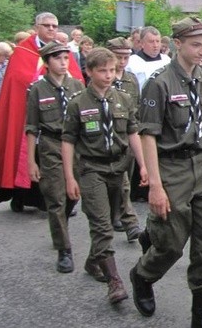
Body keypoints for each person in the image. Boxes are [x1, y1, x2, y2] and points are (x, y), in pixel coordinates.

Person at [128, 17, 202, 328]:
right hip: (172, 168)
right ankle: (143, 275)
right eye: (196, 44)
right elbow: (148, 135)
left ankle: (201, 315)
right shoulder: (160, 82)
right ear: (178, 43)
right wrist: (154, 185)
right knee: (170, 244)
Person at [62, 47, 148, 305]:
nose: (109, 75)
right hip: (91, 169)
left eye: (112, 70)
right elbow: (67, 141)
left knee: (110, 220)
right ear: (89, 72)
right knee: (100, 224)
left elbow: (133, 133)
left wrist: (143, 166)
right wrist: (70, 177)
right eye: (102, 70)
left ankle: (93, 260)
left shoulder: (122, 99)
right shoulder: (78, 102)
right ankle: (114, 282)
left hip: (119, 167)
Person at [0, 12, 83, 212]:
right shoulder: (23, 51)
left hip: (57, 116)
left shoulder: (64, 51)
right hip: (29, 113)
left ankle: (56, 200)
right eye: (46, 25)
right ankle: (19, 196)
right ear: (37, 27)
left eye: (54, 26)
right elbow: (17, 80)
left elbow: (76, 78)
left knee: (57, 158)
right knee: (26, 154)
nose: (51, 29)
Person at [25, 41, 85, 273]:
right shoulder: (37, 89)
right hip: (51, 144)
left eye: (66, 58)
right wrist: (31, 161)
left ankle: (62, 222)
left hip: (77, 146)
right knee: (56, 197)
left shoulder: (77, 86)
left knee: (74, 195)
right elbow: (31, 127)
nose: (63, 63)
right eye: (58, 59)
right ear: (47, 62)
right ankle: (64, 250)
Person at [107, 37, 143, 242]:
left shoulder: (131, 79)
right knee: (121, 181)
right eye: (118, 57)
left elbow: (136, 109)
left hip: (128, 136)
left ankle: (118, 214)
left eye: (126, 57)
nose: (122, 62)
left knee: (124, 178)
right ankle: (127, 221)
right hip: (107, 136)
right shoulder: (104, 77)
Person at [126, 26, 171, 90]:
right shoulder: (131, 62)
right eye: (151, 42)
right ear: (142, 43)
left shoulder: (167, 60)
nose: (155, 45)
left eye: (158, 41)